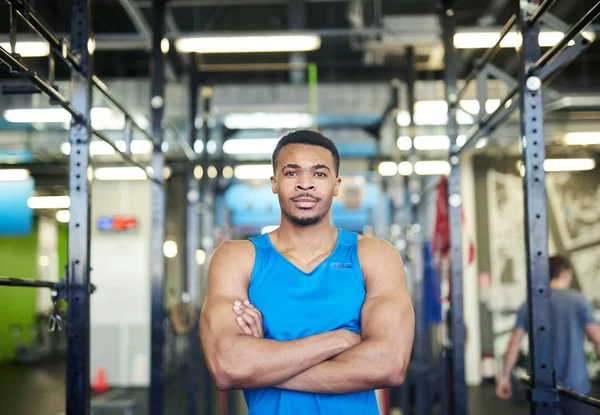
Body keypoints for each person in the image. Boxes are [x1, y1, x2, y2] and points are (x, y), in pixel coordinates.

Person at [200, 129, 415, 415]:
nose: (305, 184)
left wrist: (263, 362)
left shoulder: (374, 256)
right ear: (274, 183)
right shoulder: (237, 258)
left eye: (319, 174)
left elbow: (389, 365)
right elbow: (228, 366)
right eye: (291, 173)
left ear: (336, 184)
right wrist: (339, 340)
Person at [496, 255, 600, 414]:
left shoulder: (530, 303)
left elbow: (514, 344)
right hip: (577, 389)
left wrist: (504, 377)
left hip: (542, 389)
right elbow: (598, 340)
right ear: (566, 273)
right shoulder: (578, 301)